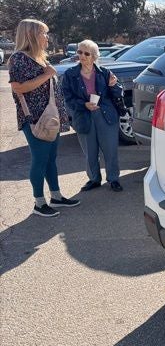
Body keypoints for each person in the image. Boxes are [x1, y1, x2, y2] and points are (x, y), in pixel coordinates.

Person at [8, 19, 80, 218]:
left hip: (50, 117)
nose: (47, 37)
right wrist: (47, 75)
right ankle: (39, 203)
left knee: (50, 159)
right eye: (43, 33)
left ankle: (56, 196)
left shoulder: (40, 58)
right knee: (40, 159)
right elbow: (18, 87)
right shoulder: (19, 58)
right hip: (35, 119)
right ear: (31, 35)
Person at [62, 39, 124, 192]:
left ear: (95, 56)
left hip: (106, 115)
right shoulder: (70, 74)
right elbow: (67, 98)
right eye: (79, 52)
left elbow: (118, 93)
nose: (82, 56)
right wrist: (83, 105)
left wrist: (113, 85)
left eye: (86, 53)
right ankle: (94, 179)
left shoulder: (104, 72)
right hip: (84, 116)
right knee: (90, 151)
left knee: (110, 150)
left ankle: (113, 179)